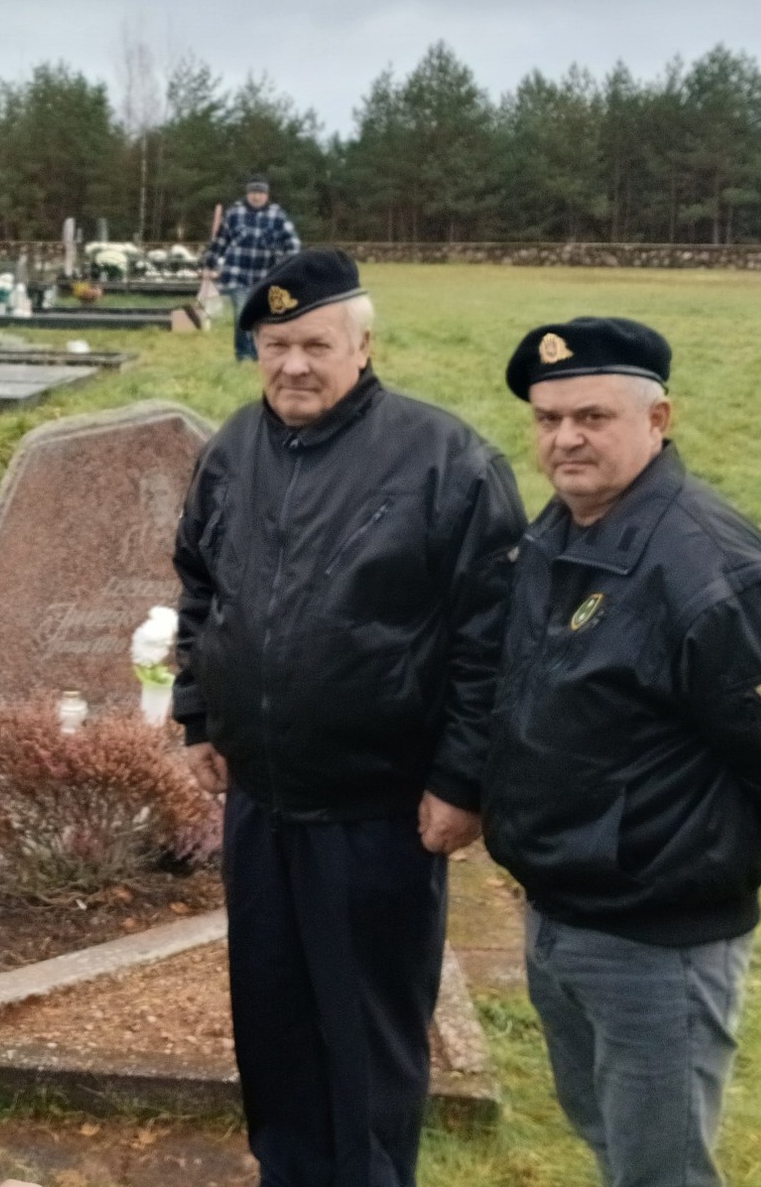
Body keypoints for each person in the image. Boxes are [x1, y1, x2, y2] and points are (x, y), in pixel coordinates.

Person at [484, 317, 761, 1187]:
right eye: (548, 419)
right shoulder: (563, 531)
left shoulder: (708, 568)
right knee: (608, 1137)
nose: (565, 439)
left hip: (657, 939)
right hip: (561, 910)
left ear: (658, 420)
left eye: (593, 416)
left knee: (662, 1171)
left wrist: (683, 850)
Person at [172, 249, 527, 1187]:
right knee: (275, 1025)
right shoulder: (232, 451)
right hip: (262, 805)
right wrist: (198, 713)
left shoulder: (445, 461)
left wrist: (462, 779)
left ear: (363, 346)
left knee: (367, 1040)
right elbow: (201, 588)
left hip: (378, 813)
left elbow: (491, 639)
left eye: (316, 344)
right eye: (275, 345)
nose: (293, 364)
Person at [201, 176, 302, 360]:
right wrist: (209, 264)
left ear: (267, 195)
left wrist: (290, 263)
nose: (256, 197)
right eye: (253, 193)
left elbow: (292, 242)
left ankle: (257, 353)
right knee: (242, 313)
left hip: (265, 276)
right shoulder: (234, 213)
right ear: (247, 194)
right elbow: (220, 241)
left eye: (260, 193)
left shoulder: (277, 215)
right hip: (236, 274)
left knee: (261, 316)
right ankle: (243, 355)